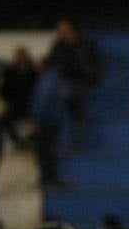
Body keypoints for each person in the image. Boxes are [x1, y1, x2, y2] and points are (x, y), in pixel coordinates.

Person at [43, 19, 102, 150]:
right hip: (65, 82)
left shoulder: (86, 44)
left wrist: (93, 77)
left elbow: (96, 64)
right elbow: (51, 61)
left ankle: (76, 143)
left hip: (83, 81)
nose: (60, 30)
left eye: (62, 27)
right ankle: (64, 139)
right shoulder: (59, 45)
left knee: (78, 114)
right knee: (67, 109)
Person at [0, 46, 38, 147]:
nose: (20, 57)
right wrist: (7, 100)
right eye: (18, 55)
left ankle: (31, 139)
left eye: (22, 55)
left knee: (41, 120)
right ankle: (18, 141)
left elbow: (37, 87)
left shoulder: (33, 70)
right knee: (3, 120)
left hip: (31, 103)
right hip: (15, 103)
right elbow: (4, 88)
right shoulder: (10, 70)